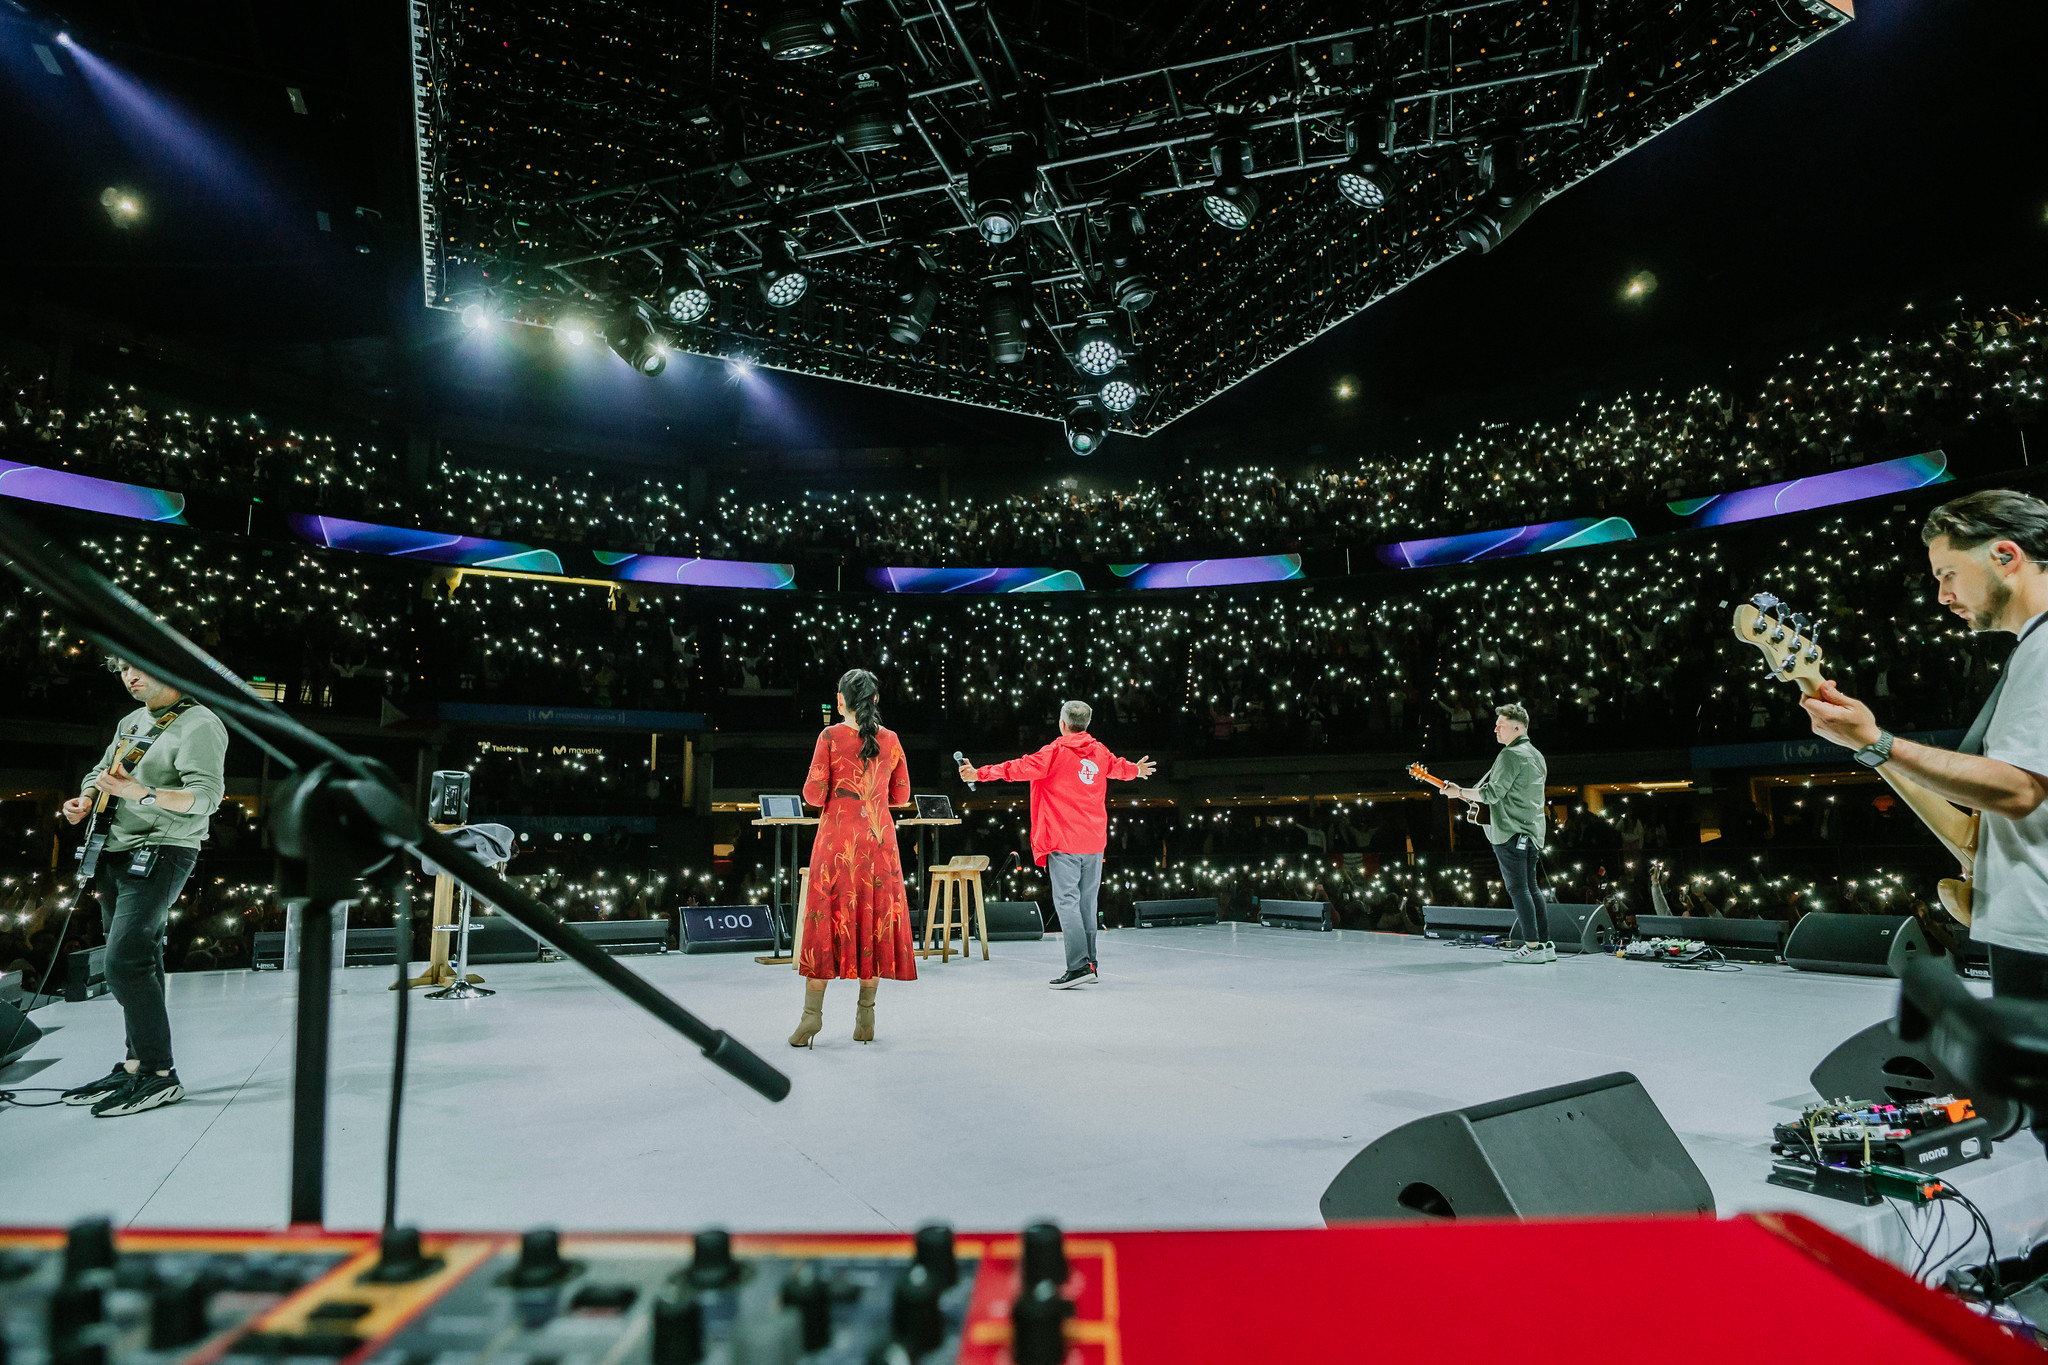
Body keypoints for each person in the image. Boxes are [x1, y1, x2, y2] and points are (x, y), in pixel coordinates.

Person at [1800, 489, 2048, 1144]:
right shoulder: (2032, 650)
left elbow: (2021, 790)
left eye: (1947, 572)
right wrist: (1873, 748)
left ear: (2005, 555)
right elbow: (1985, 828)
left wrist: (1881, 742)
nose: (1942, 594)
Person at [57, 658, 230, 1117]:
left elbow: (207, 797)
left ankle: (159, 1073)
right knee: (142, 958)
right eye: (123, 671)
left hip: (164, 848)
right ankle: (136, 1064)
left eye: (141, 668)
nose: (131, 677)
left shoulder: (201, 724)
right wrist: (86, 799)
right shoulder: (132, 720)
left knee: (124, 962)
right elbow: (102, 770)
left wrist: (143, 794)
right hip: (114, 847)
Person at [959, 700, 1156, 988]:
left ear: (1063, 724)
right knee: (1087, 905)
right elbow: (1118, 767)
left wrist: (979, 773)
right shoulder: (1099, 752)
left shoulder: (1054, 752)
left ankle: (1078, 967)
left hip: (1063, 841)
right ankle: (1090, 963)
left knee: (1067, 903)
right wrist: (1135, 771)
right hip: (1093, 842)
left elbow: (1017, 768)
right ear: (1086, 725)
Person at [790, 668, 916, 1047]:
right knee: (873, 919)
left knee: (826, 920)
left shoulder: (828, 736)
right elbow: (901, 795)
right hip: (879, 841)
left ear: (841, 700)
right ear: (875, 700)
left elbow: (813, 795)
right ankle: (865, 1016)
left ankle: (811, 1018)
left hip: (837, 839)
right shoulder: (891, 739)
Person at [1442, 703, 1551, 964]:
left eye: (1500, 726)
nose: (1495, 730)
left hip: (1511, 832)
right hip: (1533, 832)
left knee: (1517, 888)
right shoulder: (1536, 754)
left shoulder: (1510, 755)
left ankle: (1533, 946)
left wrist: (1458, 792)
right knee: (1532, 888)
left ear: (1517, 727)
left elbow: (1492, 794)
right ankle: (1545, 945)